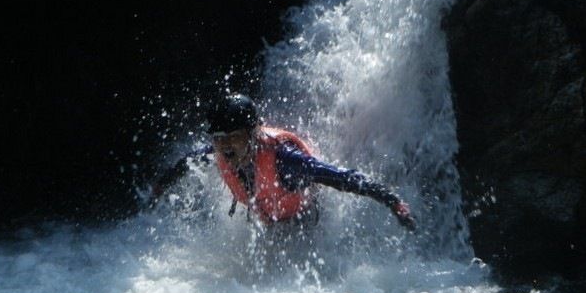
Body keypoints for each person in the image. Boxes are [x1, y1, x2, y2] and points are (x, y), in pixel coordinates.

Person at [150, 94, 416, 230]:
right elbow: (184, 164)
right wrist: (158, 191)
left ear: (253, 134)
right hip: (267, 218)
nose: (226, 146)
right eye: (219, 139)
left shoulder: (286, 161)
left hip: (305, 218)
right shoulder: (217, 152)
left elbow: (340, 177)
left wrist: (392, 201)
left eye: (235, 137)